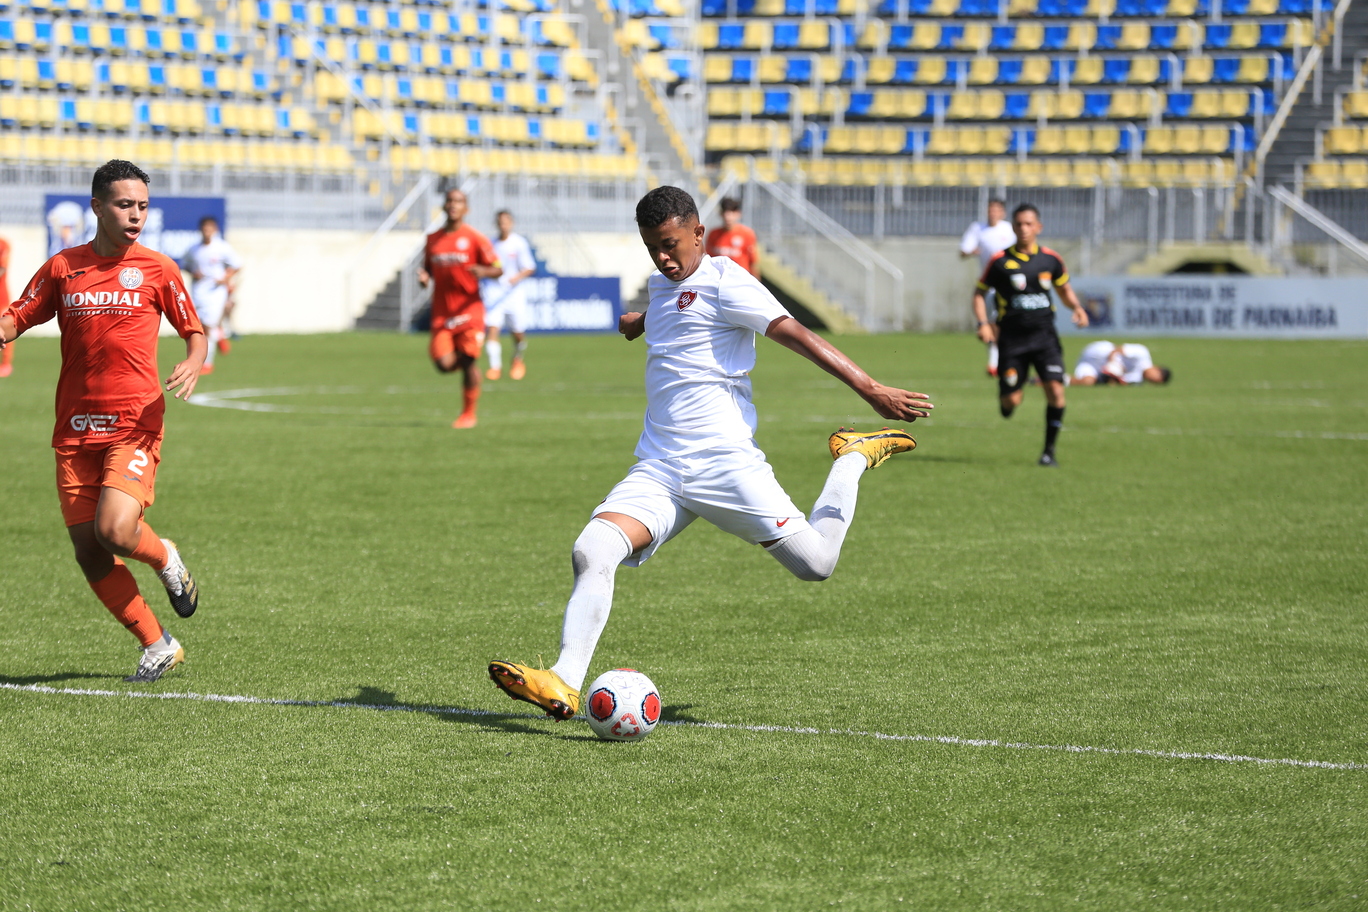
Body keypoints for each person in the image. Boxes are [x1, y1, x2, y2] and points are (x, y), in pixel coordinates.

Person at [488, 186, 933, 720]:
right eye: (653, 247)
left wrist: (870, 388)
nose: (663, 257)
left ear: (699, 234)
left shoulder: (727, 280)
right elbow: (676, 309)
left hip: (724, 464)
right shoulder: (663, 284)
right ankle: (563, 680)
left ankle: (851, 458)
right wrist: (640, 320)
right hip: (659, 467)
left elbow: (794, 334)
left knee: (818, 564)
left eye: (672, 244)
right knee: (592, 550)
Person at [0, 160, 205, 683]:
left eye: (141, 205)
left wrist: (192, 358)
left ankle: (165, 558)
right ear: (97, 206)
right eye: (123, 205)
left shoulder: (158, 268)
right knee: (89, 552)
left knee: (114, 529)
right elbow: (19, 316)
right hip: (73, 428)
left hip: (134, 421)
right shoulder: (63, 267)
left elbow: (193, 328)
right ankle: (158, 644)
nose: (135, 215)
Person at [972, 203, 1089, 467]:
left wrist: (1077, 308)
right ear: (1013, 227)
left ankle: (1049, 452)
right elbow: (979, 293)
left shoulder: (1050, 259)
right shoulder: (1000, 262)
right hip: (1012, 341)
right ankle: (1007, 399)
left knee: (1056, 391)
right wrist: (982, 323)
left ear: (1038, 227)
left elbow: (1064, 289)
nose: (1024, 229)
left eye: (1028, 224)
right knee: (1011, 400)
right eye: (1019, 224)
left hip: (1045, 338)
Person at [417, 189, 502, 428]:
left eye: (459, 202)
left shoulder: (475, 238)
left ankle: (468, 414)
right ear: (443, 206)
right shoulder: (433, 239)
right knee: (443, 365)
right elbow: (428, 270)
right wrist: (424, 279)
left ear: (466, 209)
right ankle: (470, 366)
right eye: (450, 201)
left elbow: (498, 268)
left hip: (470, 311)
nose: (453, 205)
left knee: (467, 362)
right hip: (443, 313)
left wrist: (484, 271)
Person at [959, 198, 1015, 378]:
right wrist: (970, 252)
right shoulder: (978, 228)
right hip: (989, 285)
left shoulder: (1009, 229)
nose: (993, 213)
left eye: (997, 210)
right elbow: (963, 251)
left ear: (1003, 213)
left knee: (1005, 324)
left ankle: (998, 362)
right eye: (990, 210)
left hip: (1011, 284)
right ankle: (996, 362)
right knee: (992, 325)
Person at [481, 209, 537, 381]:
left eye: (506, 221)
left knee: (517, 333)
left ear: (511, 223)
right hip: (494, 292)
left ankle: (517, 358)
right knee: (492, 328)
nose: (502, 225)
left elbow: (529, 267)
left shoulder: (518, 243)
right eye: (500, 222)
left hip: (514, 294)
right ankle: (495, 367)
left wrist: (516, 278)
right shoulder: (491, 244)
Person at [183, 215, 242, 376]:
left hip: (216, 292)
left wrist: (225, 278)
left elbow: (237, 265)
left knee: (208, 328)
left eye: (210, 228)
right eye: (204, 229)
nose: (207, 232)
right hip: (198, 293)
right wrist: (194, 272)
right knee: (200, 328)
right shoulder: (194, 249)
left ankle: (207, 364)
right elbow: (185, 264)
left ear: (215, 230)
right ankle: (220, 334)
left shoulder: (222, 247)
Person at [705, 196, 760, 280]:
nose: (728, 217)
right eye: (725, 213)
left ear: (738, 214)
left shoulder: (747, 234)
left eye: (731, 213)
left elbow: (753, 263)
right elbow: (708, 260)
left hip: (740, 281)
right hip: (719, 281)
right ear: (721, 214)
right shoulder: (713, 234)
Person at [1072, 341, 1171, 386]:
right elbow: (1117, 350)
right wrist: (1113, 363)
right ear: (1157, 369)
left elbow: (1117, 381)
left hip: (1095, 369)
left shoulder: (1137, 381)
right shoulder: (1143, 353)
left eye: (1154, 383)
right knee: (1113, 367)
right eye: (1155, 378)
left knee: (1087, 382)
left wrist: (1112, 379)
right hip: (1099, 353)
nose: (1151, 380)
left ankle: (1062, 379)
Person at [0, 232, 12, 378]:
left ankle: (6, 363)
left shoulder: (3, 244)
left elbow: (2, 269)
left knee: (4, 328)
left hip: (1, 296)